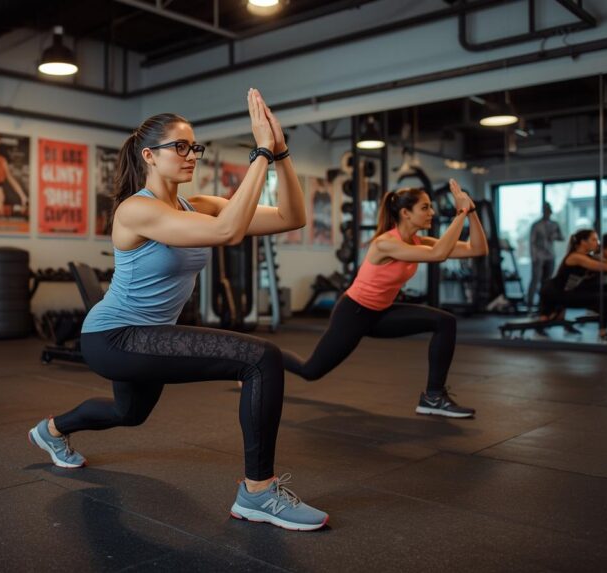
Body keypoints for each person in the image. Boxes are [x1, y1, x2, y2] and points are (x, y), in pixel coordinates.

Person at [28, 89, 329, 531]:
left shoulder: (197, 204)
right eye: (180, 147)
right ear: (149, 155)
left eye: (195, 147)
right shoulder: (135, 210)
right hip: (114, 336)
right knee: (260, 358)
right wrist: (260, 151)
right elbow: (228, 232)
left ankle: (51, 430)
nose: (192, 155)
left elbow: (291, 217)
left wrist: (281, 153)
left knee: (128, 414)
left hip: (145, 337)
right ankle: (258, 493)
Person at [282, 182, 489, 418]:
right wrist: (460, 212)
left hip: (381, 313)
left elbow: (477, 249)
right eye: (425, 207)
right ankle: (261, 360)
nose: (431, 212)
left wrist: (471, 213)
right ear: (405, 213)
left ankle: (433, 397)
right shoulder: (385, 243)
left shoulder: (420, 241)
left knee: (445, 322)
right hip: (354, 313)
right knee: (310, 370)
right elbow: (438, 254)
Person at [538, 229, 607, 343]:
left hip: (566, 292)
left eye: (597, 240)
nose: (597, 242)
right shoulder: (576, 257)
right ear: (583, 242)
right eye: (594, 239)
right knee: (604, 297)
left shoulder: (587, 257)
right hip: (554, 292)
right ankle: (603, 335)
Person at [527, 202, 564, 309]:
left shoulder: (555, 224)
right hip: (538, 257)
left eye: (549, 210)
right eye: (546, 210)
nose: (548, 212)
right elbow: (532, 242)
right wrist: (534, 257)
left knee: (547, 281)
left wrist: (555, 235)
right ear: (543, 211)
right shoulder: (536, 225)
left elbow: (562, 237)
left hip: (550, 256)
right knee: (535, 280)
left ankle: (543, 304)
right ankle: (529, 304)